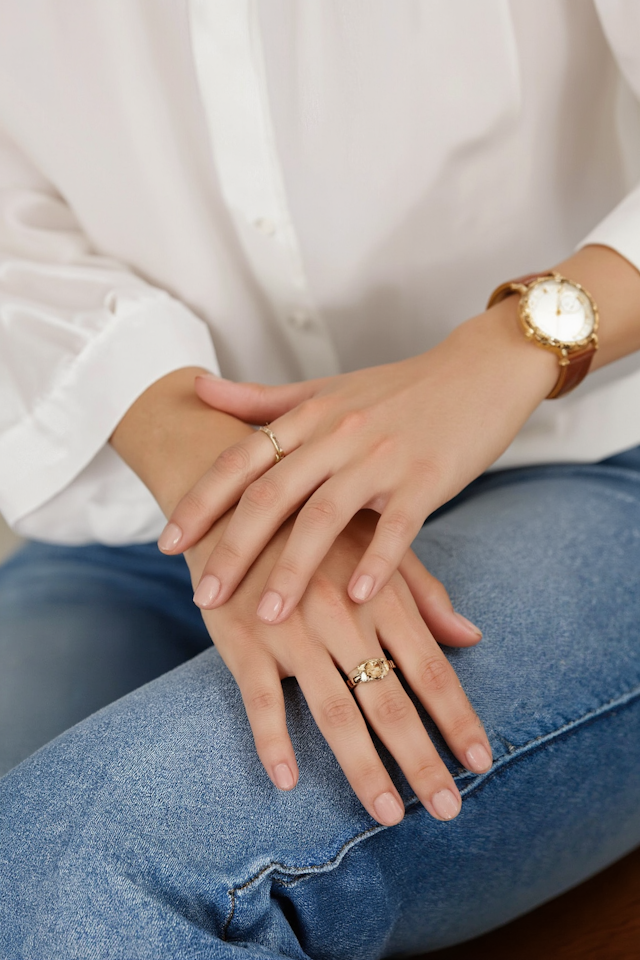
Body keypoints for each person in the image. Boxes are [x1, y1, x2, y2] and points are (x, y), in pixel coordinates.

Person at [1, 1, 640, 957]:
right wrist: (213, 465)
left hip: (587, 448)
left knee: (87, 866)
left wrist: (507, 350)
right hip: (152, 512)